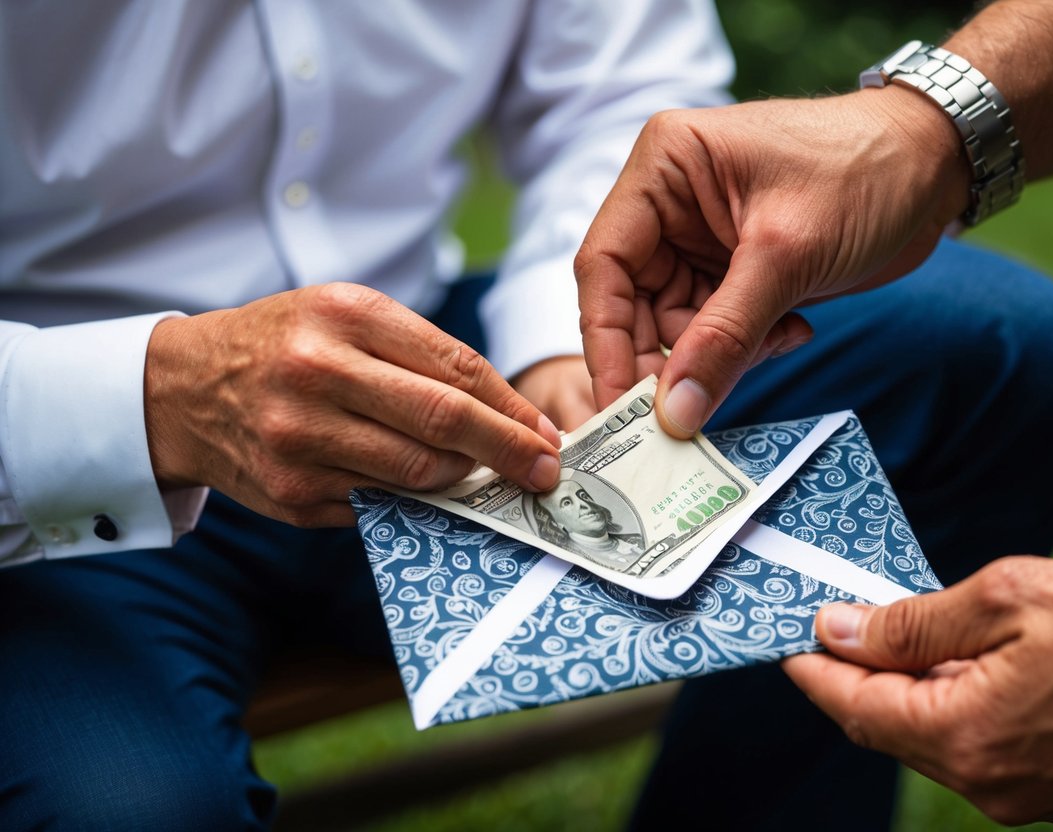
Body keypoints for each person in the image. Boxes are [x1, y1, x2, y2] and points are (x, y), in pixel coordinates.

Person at [0, 3, 736, 828]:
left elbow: (621, 87)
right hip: (61, 477)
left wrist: (562, 333)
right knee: (129, 810)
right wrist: (150, 399)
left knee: (903, 336)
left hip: (451, 360)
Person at [574, 0, 1053, 825]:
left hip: (555, 307)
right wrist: (919, 130)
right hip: (384, 351)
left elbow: (600, 101)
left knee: (1007, 343)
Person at [532, 475, 645, 570]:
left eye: (583, 496)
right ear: (556, 524)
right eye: (567, 503)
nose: (585, 505)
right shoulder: (570, 563)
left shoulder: (638, 539)